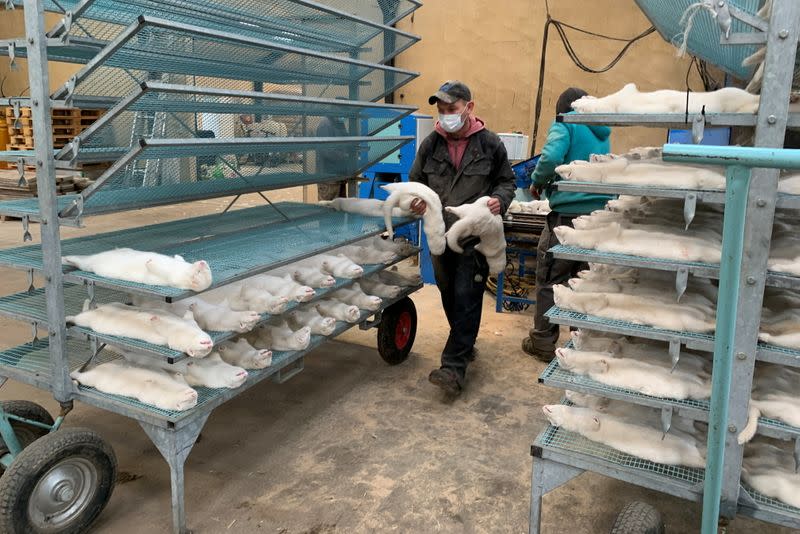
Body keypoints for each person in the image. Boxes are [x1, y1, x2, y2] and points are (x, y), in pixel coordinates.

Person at [409, 80, 516, 395]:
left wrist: (500, 199)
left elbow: (506, 182)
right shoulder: (431, 144)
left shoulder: (490, 144)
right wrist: (415, 201)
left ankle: (453, 368)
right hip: (440, 235)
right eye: (440, 111)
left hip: (474, 235)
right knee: (448, 295)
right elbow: (416, 182)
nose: (445, 116)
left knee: (467, 296)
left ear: (469, 107)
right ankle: (465, 343)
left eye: (451, 109)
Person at [521, 87, 614, 362]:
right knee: (584, 282)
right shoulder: (602, 130)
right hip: (598, 219)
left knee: (551, 279)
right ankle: (579, 344)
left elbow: (550, 158)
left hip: (567, 219)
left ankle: (543, 343)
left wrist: (538, 182)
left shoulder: (566, 122)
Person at [315, 116, 353, 201]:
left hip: (340, 176)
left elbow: (346, 141)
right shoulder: (325, 125)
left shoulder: (339, 124)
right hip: (328, 178)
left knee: (340, 208)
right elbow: (326, 151)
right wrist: (345, 156)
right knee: (327, 207)